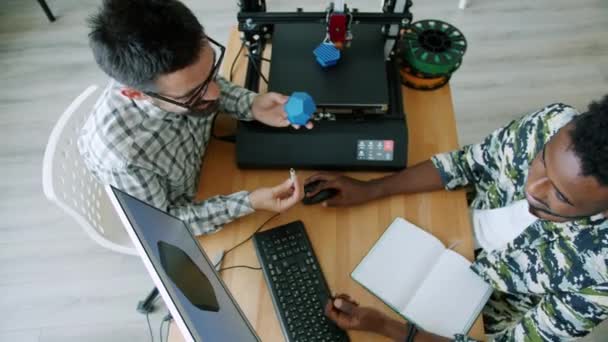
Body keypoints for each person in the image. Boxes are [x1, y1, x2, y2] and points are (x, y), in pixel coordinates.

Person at [310, 97, 608, 341]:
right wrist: (372, 188)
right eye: (542, 161)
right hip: (448, 225)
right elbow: (468, 163)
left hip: (468, 317)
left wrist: (388, 328)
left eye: (562, 196)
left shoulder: (600, 275)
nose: (533, 189)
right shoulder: (552, 123)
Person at [78, 0, 312, 235]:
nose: (215, 93)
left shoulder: (180, 73)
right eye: (192, 94)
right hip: (195, 202)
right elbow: (167, 224)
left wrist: (251, 104)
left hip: (209, 161)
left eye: (211, 71)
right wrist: (249, 202)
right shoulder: (123, 158)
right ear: (136, 94)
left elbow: (206, 85)